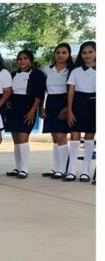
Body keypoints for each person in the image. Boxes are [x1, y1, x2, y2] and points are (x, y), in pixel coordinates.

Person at [5, 50, 47, 179]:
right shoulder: (13, 74)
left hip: (27, 107)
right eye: (19, 59)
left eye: (25, 58)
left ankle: (24, 168)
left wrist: (33, 110)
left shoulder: (37, 74)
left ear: (31, 60)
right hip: (14, 108)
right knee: (16, 140)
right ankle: (18, 167)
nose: (22, 61)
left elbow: (39, 94)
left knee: (23, 138)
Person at [40, 43, 74, 179]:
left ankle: (63, 169)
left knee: (61, 136)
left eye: (64, 52)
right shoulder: (46, 69)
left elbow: (74, 91)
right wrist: (41, 107)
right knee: (55, 137)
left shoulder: (72, 70)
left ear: (69, 54)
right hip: (50, 102)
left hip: (65, 102)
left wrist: (67, 108)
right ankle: (56, 168)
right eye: (58, 52)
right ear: (54, 54)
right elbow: (42, 90)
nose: (60, 55)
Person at [65, 41, 96, 182]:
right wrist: (70, 110)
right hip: (78, 103)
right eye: (84, 52)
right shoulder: (76, 71)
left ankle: (85, 171)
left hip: (94, 103)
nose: (87, 55)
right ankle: (71, 170)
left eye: (90, 52)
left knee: (90, 136)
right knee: (75, 135)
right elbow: (71, 92)